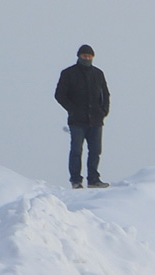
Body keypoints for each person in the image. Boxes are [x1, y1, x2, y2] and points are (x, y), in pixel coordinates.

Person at [54, 45, 111, 190]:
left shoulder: (98, 74)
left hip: (96, 120)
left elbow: (105, 94)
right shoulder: (68, 73)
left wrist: (103, 111)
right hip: (77, 121)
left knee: (95, 151)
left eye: (89, 56)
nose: (87, 58)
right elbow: (59, 95)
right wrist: (72, 109)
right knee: (76, 151)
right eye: (84, 56)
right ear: (79, 56)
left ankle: (93, 180)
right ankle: (76, 180)